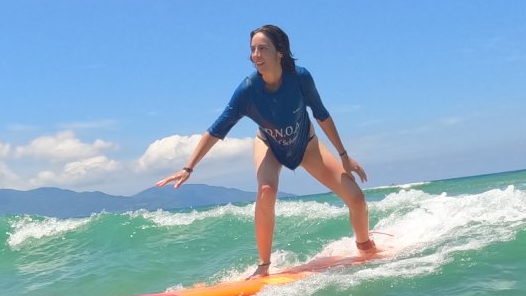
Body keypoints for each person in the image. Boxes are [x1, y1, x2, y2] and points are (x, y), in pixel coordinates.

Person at [156, 24, 376, 278]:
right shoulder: (248, 90)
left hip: (307, 145)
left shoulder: (300, 78)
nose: (256, 55)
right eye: (252, 50)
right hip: (269, 145)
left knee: (357, 199)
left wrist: (343, 155)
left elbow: (322, 114)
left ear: (280, 51)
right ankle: (263, 265)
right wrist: (188, 167)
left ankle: (365, 246)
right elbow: (217, 129)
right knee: (266, 191)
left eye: (263, 48)